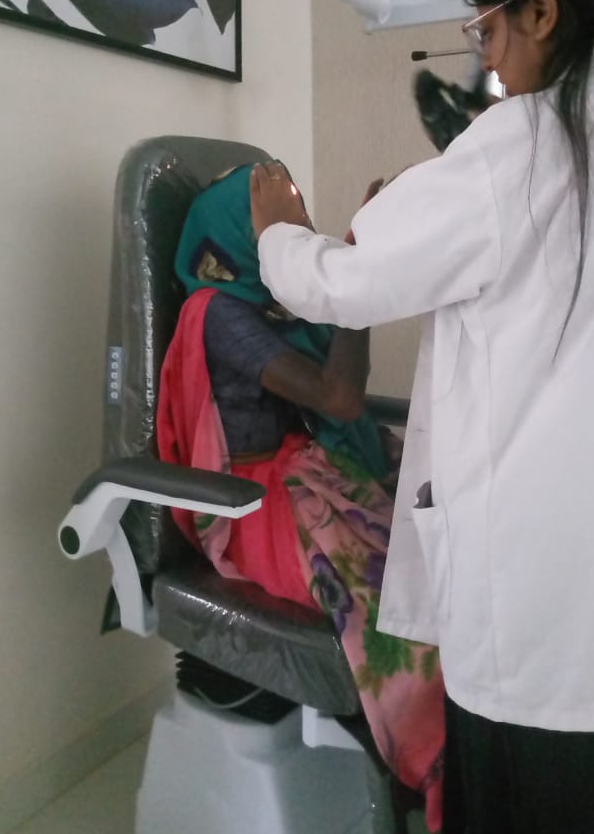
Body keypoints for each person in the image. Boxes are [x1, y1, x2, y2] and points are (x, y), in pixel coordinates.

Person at [249, 0, 594, 833]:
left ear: (541, 11)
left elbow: (343, 282)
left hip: (553, 603)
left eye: (487, 29)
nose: (489, 61)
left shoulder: (525, 142)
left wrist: (277, 231)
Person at [155, 164, 445, 832]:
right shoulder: (218, 313)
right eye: (277, 223)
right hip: (251, 506)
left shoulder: (270, 309)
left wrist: (356, 259)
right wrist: (355, 272)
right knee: (403, 607)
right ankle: (434, 765)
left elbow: (340, 384)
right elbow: (339, 397)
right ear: (237, 236)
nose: (299, 230)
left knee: (442, 555)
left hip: (303, 476)